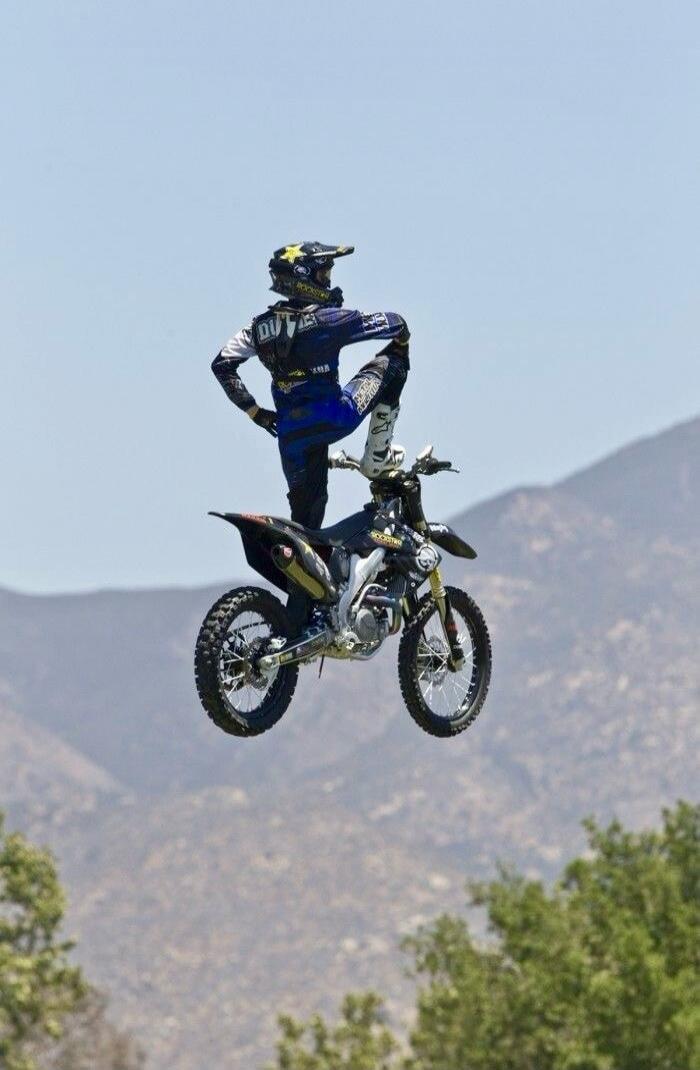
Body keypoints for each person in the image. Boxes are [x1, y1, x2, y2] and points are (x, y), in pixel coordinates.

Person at [211, 241, 410, 534]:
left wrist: (255, 412)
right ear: (304, 278)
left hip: (291, 435)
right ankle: (377, 456)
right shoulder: (330, 321)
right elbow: (396, 323)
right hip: (335, 416)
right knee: (393, 362)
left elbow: (222, 365)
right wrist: (401, 342)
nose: (328, 282)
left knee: (305, 529)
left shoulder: (256, 328)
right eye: (324, 275)